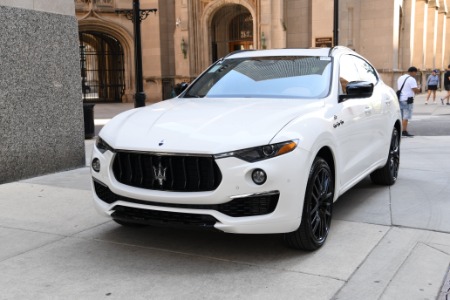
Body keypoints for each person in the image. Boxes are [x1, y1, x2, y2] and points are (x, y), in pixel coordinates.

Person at [397, 66, 421, 137]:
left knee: (401, 116)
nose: (415, 74)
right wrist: (419, 89)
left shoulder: (400, 77)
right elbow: (415, 90)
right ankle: (404, 131)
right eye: (415, 73)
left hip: (400, 99)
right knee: (406, 117)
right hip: (407, 100)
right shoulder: (411, 79)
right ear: (413, 72)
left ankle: (400, 131)